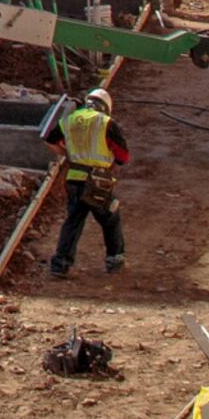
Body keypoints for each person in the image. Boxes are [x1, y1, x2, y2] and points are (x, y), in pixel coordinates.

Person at [42, 81, 128, 277]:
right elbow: (123, 156)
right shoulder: (106, 123)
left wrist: (69, 154)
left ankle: (60, 265)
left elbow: (48, 139)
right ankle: (115, 260)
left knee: (73, 221)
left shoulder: (70, 119)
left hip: (74, 179)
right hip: (99, 182)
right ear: (106, 107)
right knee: (110, 218)